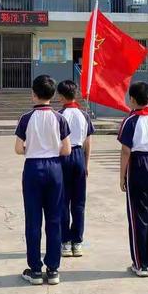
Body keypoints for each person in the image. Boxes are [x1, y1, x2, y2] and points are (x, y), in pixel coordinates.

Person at [15, 75, 71, 286]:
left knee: (33, 219)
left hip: (33, 168)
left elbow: (18, 148)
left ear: (34, 94)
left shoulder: (26, 118)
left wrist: (34, 148)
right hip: (55, 168)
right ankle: (54, 269)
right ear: (53, 95)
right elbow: (66, 149)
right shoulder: (59, 118)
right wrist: (49, 148)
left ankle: (35, 270)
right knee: (54, 219)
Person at [119, 82, 148, 278]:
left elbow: (125, 150)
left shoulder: (131, 121)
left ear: (132, 99)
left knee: (138, 215)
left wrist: (122, 175)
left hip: (138, 164)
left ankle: (140, 263)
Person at [57, 80, 94, 258]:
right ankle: (77, 242)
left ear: (61, 96)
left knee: (62, 201)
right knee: (79, 202)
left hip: (63, 156)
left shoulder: (59, 115)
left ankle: (65, 241)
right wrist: (86, 164)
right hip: (79, 155)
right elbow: (88, 141)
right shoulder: (84, 115)